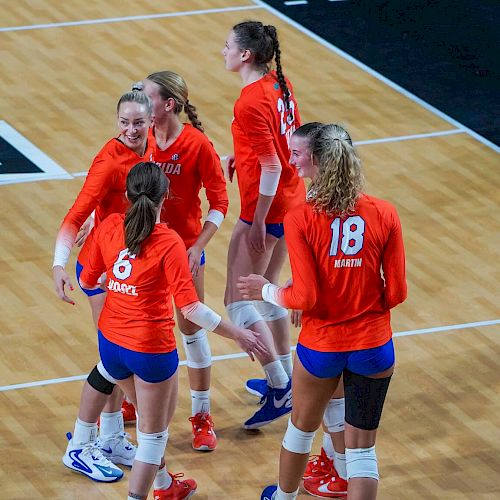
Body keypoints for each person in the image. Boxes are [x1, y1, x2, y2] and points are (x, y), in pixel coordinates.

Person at [238, 123, 407, 500]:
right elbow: (396, 292)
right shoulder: (385, 213)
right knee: (363, 451)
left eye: (296, 154)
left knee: (300, 430)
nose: (291, 159)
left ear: (316, 160)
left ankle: (283, 497)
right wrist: (358, 294)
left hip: (323, 345)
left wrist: (264, 289)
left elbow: (306, 297)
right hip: (374, 346)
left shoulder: (302, 216)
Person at [79, 161, 266, 500]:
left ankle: (165, 485)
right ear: (166, 197)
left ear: (127, 195)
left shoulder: (107, 227)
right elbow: (191, 308)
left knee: (151, 423)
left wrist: (115, 281)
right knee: (153, 435)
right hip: (150, 349)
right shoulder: (168, 241)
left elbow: (87, 280)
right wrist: (236, 333)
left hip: (111, 344)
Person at [53, 90, 155, 481]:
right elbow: (75, 213)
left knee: (118, 356)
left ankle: (110, 436)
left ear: (150, 122)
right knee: (112, 357)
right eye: (124, 122)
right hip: (102, 269)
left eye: (138, 122)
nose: (131, 129)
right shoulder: (108, 161)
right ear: (116, 122)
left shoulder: (152, 147)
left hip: (127, 265)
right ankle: (80, 445)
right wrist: (57, 265)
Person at [136, 70, 229, 452]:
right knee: (139, 326)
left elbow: (220, 203)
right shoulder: (138, 137)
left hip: (184, 249)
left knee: (190, 325)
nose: (139, 103)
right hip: (143, 247)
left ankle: (202, 415)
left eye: (146, 97)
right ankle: (132, 398)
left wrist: (197, 247)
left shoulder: (197, 145)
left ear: (168, 104)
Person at [222, 20, 305, 429]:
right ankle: (289, 377)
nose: (222, 52)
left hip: (266, 209)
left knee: (237, 300)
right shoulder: (279, 84)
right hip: (292, 202)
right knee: (269, 293)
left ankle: (279, 384)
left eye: (227, 46)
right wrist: (243, 155)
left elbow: (271, 163)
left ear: (245, 55)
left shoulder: (249, 101)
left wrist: (255, 222)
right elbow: (283, 144)